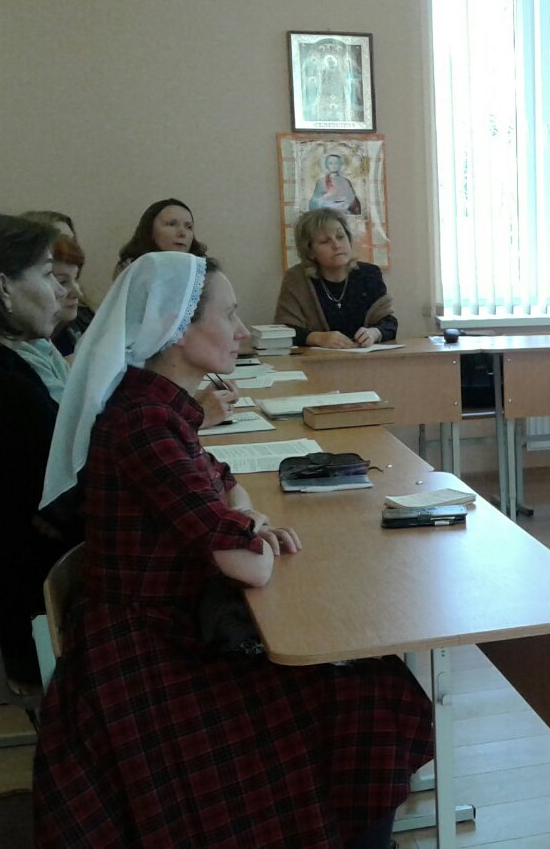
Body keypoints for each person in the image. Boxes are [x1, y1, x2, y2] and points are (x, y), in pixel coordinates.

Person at [32, 252, 433, 848]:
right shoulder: (144, 422)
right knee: (368, 698)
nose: (243, 332)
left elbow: (226, 483)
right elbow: (247, 564)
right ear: (177, 328)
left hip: (171, 621)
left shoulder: (159, 407)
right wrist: (250, 532)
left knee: (372, 683)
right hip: (147, 654)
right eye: (230, 314)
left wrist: (245, 520)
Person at [0, 212, 82, 685]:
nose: (59, 292)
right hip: (48, 618)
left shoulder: (2, 365)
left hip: (40, 594)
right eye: (47, 275)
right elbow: (73, 507)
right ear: (3, 287)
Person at [275, 207, 396, 349]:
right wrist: (317, 338)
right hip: (316, 361)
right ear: (310, 252)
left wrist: (375, 333)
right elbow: (282, 332)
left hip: (365, 361)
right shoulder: (296, 279)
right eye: (325, 241)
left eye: (340, 237)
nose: (337, 245)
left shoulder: (370, 274)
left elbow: (389, 323)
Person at [7, 234, 85, 402]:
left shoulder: (42, 341)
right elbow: (68, 412)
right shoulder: (19, 355)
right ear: (4, 287)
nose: (77, 292)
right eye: (61, 281)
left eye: (76, 279)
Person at [21, 211, 95, 356]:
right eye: (58, 239)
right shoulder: (25, 345)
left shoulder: (82, 309)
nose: (67, 246)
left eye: (72, 240)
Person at [112, 198, 207, 277]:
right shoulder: (130, 268)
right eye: (171, 224)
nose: (182, 233)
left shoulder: (204, 272)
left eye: (189, 227)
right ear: (150, 230)